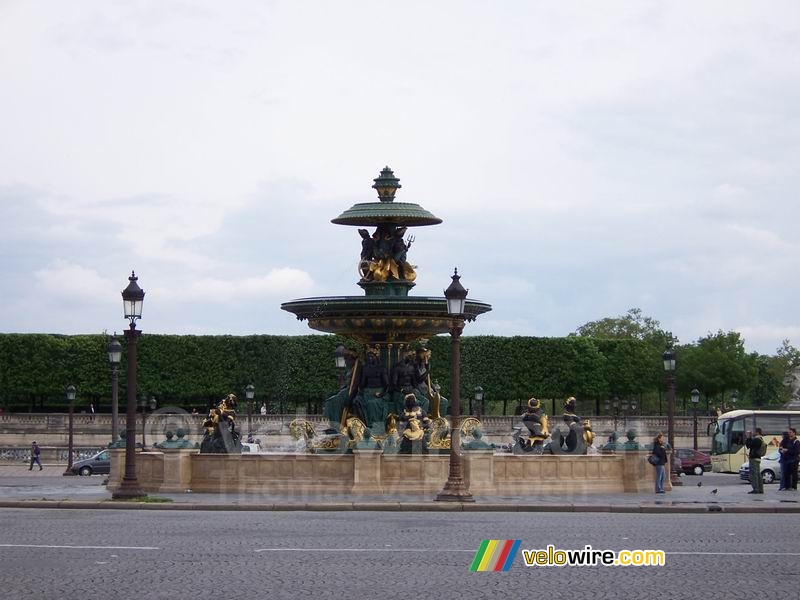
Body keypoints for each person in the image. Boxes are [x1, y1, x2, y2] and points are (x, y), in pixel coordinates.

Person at [744, 428, 765, 494]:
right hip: (758, 458)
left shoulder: (756, 439)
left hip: (754, 459)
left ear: (757, 432)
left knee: (754, 474)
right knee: (758, 474)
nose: (752, 433)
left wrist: (748, 437)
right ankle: (760, 489)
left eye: (753, 432)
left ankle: (756, 489)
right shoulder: (761, 439)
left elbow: (748, 445)